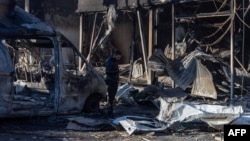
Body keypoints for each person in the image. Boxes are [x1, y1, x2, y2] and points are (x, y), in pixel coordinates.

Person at [105, 50, 122, 116]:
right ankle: (109, 111)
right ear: (114, 55)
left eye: (120, 57)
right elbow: (108, 72)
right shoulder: (109, 61)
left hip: (114, 80)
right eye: (118, 57)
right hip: (110, 81)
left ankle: (110, 110)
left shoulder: (114, 61)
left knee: (112, 96)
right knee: (110, 97)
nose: (119, 59)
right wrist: (117, 71)